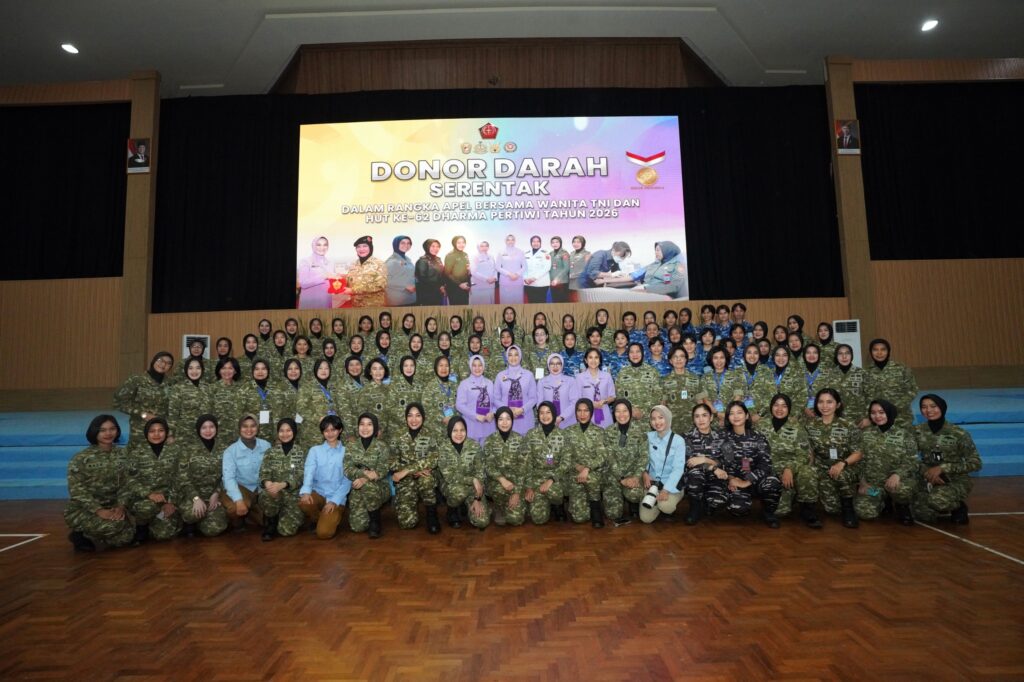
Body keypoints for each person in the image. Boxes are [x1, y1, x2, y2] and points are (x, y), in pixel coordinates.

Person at [65, 415, 136, 551]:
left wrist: (121, 506)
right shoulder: (81, 458)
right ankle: (80, 534)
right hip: (86, 509)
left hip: (113, 506)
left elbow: (127, 484)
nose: (108, 433)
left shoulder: (124, 455)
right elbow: (76, 490)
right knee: (112, 527)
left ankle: (100, 533)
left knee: (125, 538)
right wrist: (98, 510)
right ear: (94, 432)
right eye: (102, 430)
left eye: (112, 429)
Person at [912, 394, 982, 524]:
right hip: (927, 478)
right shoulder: (917, 431)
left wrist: (943, 468)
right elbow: (910, 458)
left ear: (942, 408)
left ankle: (958, 506)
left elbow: (976, 462)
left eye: (933, 406)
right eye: (924, 407)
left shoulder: (958, 433)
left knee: (937, 501)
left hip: (954, 479)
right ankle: (940, 502)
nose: (929, 410)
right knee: (921, 514)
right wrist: (927, 471)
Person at [712, 402, 782, 527]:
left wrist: (747, 481)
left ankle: (768, 512)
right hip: (734, 480)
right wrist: (730, 479)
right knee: (738, 509)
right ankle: (738, 499)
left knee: (772, 483)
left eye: (739, 412)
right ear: (728, 417)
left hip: (755, 480)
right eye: (731, 413)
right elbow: (716, 461)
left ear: (747, 416)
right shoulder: (721, 436)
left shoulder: (758, 437)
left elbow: (765, 464)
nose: (736, 416)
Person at [756, 395, 821, 528]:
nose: (779, 409)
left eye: (784, 406)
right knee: (780, 511)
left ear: (789, 409)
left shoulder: (797, 427)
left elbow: (804, 454)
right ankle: (788, 495)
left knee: (808, 472)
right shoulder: (761, 425)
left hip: (790, 469)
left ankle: (807, 508)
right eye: (776, 405)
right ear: (771, 407)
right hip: (769, 470)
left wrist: (789, 468)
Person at [805, 388, 863, 528]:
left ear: (838, 405)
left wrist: (842, 464)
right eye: (821, 402)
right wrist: (810, 468)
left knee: (841, 475)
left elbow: (858, 453)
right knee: (832, 509)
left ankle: (848, 510)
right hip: (821, 467)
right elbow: (810, 451)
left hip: (845, 467)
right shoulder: (810, 425)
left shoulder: (848, 425)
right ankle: (810, 510)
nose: (824, 406)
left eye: (829, 402)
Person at [855, 400, 919, 525]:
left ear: (889, 413)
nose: (877, 416)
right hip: (874, 484)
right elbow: (858, 461)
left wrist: (898, 474)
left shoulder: (904, 435)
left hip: (897, 482)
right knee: (865, 512)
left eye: (881, 412)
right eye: (873, 413)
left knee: (902, 490)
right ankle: (883, 500)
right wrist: (862, 482)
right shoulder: (865, 434)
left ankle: (902, 505)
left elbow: (912, 461)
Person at [122, 417, 182, 542]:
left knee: (163, 534)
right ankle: (142, 526)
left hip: (167, 498)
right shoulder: (136, 453)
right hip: (144, 499)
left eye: (161, 430)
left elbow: (180, 478)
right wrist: (149, 494)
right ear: (146, 433)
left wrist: (171, 502)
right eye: (152, 431)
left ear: (166, 432)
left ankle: (158, 520)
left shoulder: (175, 451)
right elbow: (130, 479)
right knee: (146, 508)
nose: (156, 434)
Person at [388, 403, 441, 533]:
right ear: (406, 418)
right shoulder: (398, 435)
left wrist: (407, 470)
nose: (414, 420)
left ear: (423, 417)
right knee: (407, 523)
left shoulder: (430, 434)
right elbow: (391, 461)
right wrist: (411, 472)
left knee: (427, 480)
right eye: (410, 416)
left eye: (418, 415)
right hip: (405, 479)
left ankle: (431, 515)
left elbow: (434, 458)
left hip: (424, 475)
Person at [298, 415, 351, 539]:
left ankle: (330, 517)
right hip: (319, 493)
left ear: (340, 430)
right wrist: (306, 492)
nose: (330, 433)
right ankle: (317, 518)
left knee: (324, 533)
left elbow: (347, 481)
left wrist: (334, 501)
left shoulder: (347, 452)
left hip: (336, 497)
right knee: (304, 502)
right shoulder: (315, 451)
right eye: (326, 430)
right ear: (322, 432)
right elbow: (309, 472)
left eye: (333, 430)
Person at [177, 415, 229, 538]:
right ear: (198, 430)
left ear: (216, 428)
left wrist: (216, 493)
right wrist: (195, 498)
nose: (208, 430)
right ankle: (190, 523)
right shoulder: (188, 449)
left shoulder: (224, 449)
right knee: (191, 514)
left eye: (211, 427)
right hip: (192, 496)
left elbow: (228, 475)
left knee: (214, 529)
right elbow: (182, 477)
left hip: (213, 497)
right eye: (204, 427)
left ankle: (202, 520)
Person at [342, 413, 391, 538]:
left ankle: (375, 521)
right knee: (357, 527)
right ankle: (368, 512)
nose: (365, 428)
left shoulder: (382, 446)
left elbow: (383, 470)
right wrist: (364, 473)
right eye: (362, 424)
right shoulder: (351, 446)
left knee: (369, 486)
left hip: (379, 487)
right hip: (357, 487)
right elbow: (347, 469)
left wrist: (365, 479)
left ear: (375, 428)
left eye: (369, 424)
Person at [256, 418, 307, 541]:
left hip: (293, 495)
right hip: (275, 492)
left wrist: (284, 484)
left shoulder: (301, 451)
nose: (285, 434)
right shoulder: (270, 452)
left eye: (288, 430)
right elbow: (263, 473)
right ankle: (271, 522)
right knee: (267, 495)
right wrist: (268, 483)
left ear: (294, 432)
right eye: (281, 431)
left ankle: (284, 514)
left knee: (286, 531)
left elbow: (301, 475)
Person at [437, 416, 491, 529]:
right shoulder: (443, 447)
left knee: (482, 522)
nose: (459, 434)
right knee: (459, 493)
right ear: (449, 431)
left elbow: (480, 472)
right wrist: (472, 480)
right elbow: (449, 476)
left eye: (462, 430)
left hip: (474, 489)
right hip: (452, 486)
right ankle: (452, 510)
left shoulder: (474, 445)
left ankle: (467, 504)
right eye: (455, 430)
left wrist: (477, 498)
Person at [523, 402, 572, 524]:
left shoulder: (563, 435)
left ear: (554, 414)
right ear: (538, 415)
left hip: (557, 477)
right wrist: (529, 487)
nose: (545, 416)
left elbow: (566, 462)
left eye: (548, 412)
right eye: (541, 413)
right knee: (538, 519)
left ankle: (558, 505)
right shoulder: (531, 435)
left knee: (555, 492)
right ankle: (545, 503)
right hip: (537, 477)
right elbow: (526, 462)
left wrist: (551, 479)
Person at [602, 399, 648, 525]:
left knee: (635, 495)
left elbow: (644, 457)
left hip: (632, 474)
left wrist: (636, 476)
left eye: (625, 411)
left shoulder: (640, 431)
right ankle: (617, 499)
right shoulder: (608, 432)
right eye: (618, 411)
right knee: (613, 514)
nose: (621, 414)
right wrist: (621, 478)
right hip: (613, 476)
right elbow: (609, 458)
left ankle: (633, 504)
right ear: (614, 413)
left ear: (630, 412)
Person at [221, 414, 271, 530]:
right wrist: (238, 500)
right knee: (235, 508)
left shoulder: (266, 445)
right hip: (241, 488)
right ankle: (238, 522)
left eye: (253, 426)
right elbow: (229, 478)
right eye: (245, 426)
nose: (249, 429)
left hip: (261, 489)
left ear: (257, 428)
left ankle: (250, 514)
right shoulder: (230, 451)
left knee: (267, 522)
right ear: (239, 428)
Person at [638, 405, 687, 524]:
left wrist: (666, 490)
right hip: (652, 483)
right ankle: (656, 501)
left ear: (668, 418)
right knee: (646, 519)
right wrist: (644, 472)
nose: (657, 422)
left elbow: (678, 469)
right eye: (653, 419)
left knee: (666, 506)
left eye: (661, 417)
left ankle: (664, 503)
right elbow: (641, 459)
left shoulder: (678, 441)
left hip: (671, 484)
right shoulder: (648, 437)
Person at [564, 399, 608, 527]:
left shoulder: (599, 432)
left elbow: (602, 456)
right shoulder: (568, 432)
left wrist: (587, 468)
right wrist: (577, 467)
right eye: (579, 411)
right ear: (575, 413)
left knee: (591, 479)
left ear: (591, 412)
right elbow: (565, 456)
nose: (582, 414)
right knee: (579, 518)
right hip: (575, 474)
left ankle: (595, 506)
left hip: (594, 472)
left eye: (586, 411)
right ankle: (582, 501)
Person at [483, 407, 530, 526]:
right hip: (497, 482)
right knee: (499, 490)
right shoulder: (490, 440)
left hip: (516, 482)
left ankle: (516, 504)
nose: (504, 423)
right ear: (496, 422)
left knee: (516, 519)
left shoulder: (520, 439)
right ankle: (499, 507)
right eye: (501, 419)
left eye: (508, 419)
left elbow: (523, 468)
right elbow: (488, 465)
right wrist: (502, 479)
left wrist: (516, 492)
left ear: (512, 421)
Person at [114, 352, 173, 443]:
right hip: (140, 430)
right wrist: (143, 414)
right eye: (160, 360)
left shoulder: (171, 383)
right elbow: (118, 403)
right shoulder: (136, 380)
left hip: (162, 430)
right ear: (153, 361)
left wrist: (170, 432)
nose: (163, 364)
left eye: (168, 363)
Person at [681, 404, 726, 524]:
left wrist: (704, 459)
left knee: (718, 501)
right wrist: (712, 466)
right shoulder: (686, 437)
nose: (701, 419)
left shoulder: (721, 436)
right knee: (695, 474)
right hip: (695, 477)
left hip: (715, 476)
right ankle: (694, 508)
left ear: (711, 418)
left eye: (704, 415)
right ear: (693, 419)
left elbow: (727, 461)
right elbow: (690, 462)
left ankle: (707, 502)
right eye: (697, 416)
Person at [866, 338, 919, 428]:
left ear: (888, 351)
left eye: (883, 349)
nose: (879, 353)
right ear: (871, 352)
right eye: (875, 350)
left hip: (901, 418)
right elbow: (863, 396)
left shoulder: (901, 369)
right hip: (877, 419)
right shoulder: (865, 372)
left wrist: (895, 407)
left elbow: (913, 390)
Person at [492, 345, 537, 436]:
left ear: (520, 357)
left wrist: (522, 409)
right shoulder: (500, 376)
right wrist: (507, 409)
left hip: (526, 418)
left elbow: (534, 398)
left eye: (516, 354)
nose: (513, 358)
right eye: (510, 355)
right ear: (506, 357)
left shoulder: (529, 375)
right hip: (506, 419)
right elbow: (495, 398)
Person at [167, 358, 211, 444]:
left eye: (198, 368)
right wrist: (170, 435)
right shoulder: (178, 388)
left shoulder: (208, 388)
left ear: (202, 370)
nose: (194, 371)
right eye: (190, 368)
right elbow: (173, 414)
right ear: (186, 370)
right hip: (184, 435)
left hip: (205, 434)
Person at [660, 347, 702, 435]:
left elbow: (700, 402)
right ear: (670, 361)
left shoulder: (695, 378)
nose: (678, 359)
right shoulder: (664, 380)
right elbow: (663, 404)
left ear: (686, 359)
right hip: (672, 425)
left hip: (693, 425)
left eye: (682, 356)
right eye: (675, 357)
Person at [830, 344, 872, 429]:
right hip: (836, 420)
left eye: (847, 353)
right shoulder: (830, 375)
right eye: (840, 354)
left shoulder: (862, 373)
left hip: (859, 421)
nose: (844, 356)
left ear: (851, 355)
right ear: (836, 356)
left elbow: (871, 396)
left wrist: (869, 418)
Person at [457, 355, 496, 445]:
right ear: (470, 367)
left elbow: (495, 402)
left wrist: (493, 413)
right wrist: (475, 416)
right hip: (471, 427)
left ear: (484, 366)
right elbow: (459, 405)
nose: (477, 368)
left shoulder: (490, 383)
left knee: (488, 452)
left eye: (480, 365)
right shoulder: (464, 384)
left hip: (488, 426)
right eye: (474, 365)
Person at [615, 342, 660, 421]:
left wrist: (643, 412)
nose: (635, 355)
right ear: (628, 355)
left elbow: (658, 395)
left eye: (638, 351)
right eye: (631, 352)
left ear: (642, 353)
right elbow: (618, 396)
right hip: (627, 419)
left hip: (649, 419)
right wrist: (630, 410)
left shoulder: (652, 371)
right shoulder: (622, 373)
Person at [341, 235, 386, 308]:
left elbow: (380, 285)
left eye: (365, 246)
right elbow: (349, 282)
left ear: (370, 248)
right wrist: (337, 281)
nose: (361, 249)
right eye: (358, 247)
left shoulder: (379, 264)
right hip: (355, 307)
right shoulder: (354, 264)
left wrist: (353, 290)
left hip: (373, 307)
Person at [537, 354, 581, 428]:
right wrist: (547, 417)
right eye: (552, 364)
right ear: (548, 365)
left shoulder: (570, 381)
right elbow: (539, 403)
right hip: (548, 421)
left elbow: (574, 402)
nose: (555, 366)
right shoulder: (542, 382)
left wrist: (562, 417)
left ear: (562, 365)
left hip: (568, 421)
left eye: (558, 363)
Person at [575, 348, 615, 428]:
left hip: (604, 412)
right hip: (586, 414)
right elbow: (577, 399)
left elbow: (612, 396)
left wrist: (604, 401)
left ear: (600, 360)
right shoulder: (579, 377)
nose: (593, 360)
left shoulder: (607, 376)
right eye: (590, 357)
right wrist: (590, 404)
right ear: (586, 360)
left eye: (596, 357)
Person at [210, 358, 246, 443]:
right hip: (218, 435)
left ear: (235, 371)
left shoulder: (242, 388)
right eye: (223, 368)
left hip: (239, 434)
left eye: (230, 368)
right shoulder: (211, 389)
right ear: (219, 371)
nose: (227, 371)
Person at [298, 235, 335, 309]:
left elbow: (331, 282)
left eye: (325, 245)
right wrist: (324, 276)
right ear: (313, 246)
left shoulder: (330, 263)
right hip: (310, 302)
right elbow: (303, 283)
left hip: (326, 301)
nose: (322, 248)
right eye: (318, 245)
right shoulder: (305, 261)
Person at [384, 235, 416, 307]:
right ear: (396, 244)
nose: (406, 245)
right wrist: (405, 286)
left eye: (408, 243)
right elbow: (384, 280)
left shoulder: (407, 259)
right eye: (403, 243)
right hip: (397, 300)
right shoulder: (391, 261)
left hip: (409, 298)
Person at [497, 234, 526, 304]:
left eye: (512, 240)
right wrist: (509, 274)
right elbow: (497, 267)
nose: (510, 241)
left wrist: (517, 274)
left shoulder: (520, 252)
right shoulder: (501, 252)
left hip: (517, 280)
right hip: (505, 281)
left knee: (518, 302)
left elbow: (525, 266)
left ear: (515, 241)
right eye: (508, 240)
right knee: (505, 302)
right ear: (505, 241)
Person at [415, 238, 446, 305]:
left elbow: (441, 275)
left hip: (439, 293)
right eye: (433, 246)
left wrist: (443, 286)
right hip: (427, 294)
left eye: (438, 246)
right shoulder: (422, 261)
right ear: (427, 247)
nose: (436, 249)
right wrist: (438, 287)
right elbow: (422, 279)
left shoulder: (438, 260)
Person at [443, 235, 471, 305]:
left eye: (463, 242)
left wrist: (468, 284)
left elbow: (466, 270)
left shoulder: (465, 254)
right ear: (454, 243)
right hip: (454, 287)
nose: (461, 245)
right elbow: (447, 273)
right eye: (459, 243)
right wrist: (459, 284)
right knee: (456, 309)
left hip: (464, 287)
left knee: (464, 308)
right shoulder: (450, 255)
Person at [523, 235, 551, 303]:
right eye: (533, 241)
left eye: (538, 241)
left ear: (540, 243)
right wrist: (525, 278)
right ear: (531, 243)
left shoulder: (545, 253)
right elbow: (523, 267)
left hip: (541, 283)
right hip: (528, 283)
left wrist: (534, 278)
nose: (536, 243)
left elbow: (547, 267)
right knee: (531, 302)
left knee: (541, 303)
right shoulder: (526, 253)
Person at [567, 235, 591, 301]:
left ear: (583, 243)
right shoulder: (571, 253)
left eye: (578, 242)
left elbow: (587, 269)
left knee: (581, 301)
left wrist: (573, 275)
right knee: (572, 302)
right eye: (574, 242)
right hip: (571, 283)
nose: (575, 244)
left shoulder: (587, 254)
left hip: (581, 282)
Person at [548, 236, 571, 302]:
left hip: (562, 282)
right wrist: (550, 280)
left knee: (563, 302)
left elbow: (566, 268)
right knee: (555, 301)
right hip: (552, 282)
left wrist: (557, 279)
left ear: (560, 243)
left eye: (557, 242)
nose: (555, 244)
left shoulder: (564, 253)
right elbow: (549, 268)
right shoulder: (550, 254)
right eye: (553, 242)